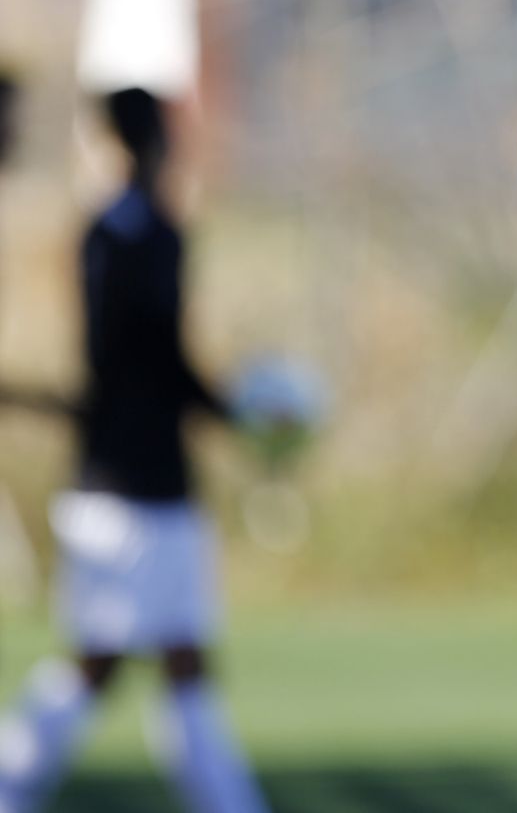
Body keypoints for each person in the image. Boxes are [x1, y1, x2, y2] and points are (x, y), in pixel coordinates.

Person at [0, 88, 269, 813]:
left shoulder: (143, 231)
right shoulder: (124, 236)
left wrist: (227, 409)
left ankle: (229, 801)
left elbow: (155, 359)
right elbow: (147, 357)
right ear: (141, 139)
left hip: (162, 483)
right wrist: (235, 410)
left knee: (182, 658)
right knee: (103, 661)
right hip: (118, 483)